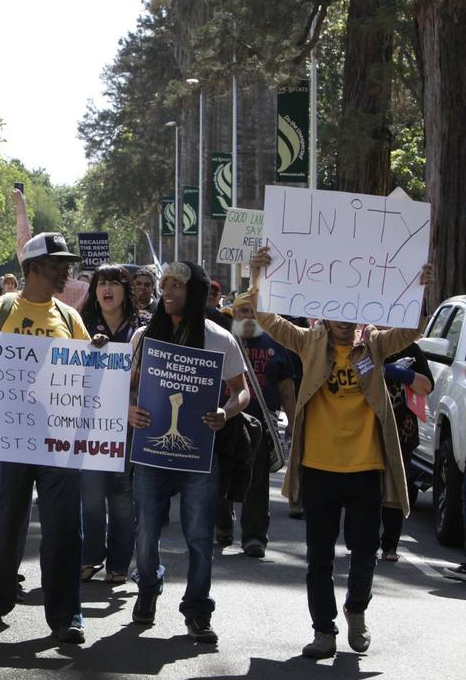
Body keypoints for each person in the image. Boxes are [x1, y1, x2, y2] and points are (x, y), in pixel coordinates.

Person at [249, 245, 433, 659]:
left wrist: (420, 289)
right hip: (319, 468)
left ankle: (356, 611)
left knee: (365, 552)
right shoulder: (309, 342)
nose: (345, 318)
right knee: (319, 557)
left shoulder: (376, 345)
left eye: (352, 311)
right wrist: (256, 275)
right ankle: (323, 629)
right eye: (337, 309)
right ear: (324, 310)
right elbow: (266, 319)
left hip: (366, 467)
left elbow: (411, 331)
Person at [0, 231, 106, 644]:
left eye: (67, 263)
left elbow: (89, 374)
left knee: (64, 528)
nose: (67, 271)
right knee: (4, 522)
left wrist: (97, 350)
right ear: (33, 269)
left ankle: (67, 615)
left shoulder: (69, 317)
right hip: (8, 437)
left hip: (58, 441)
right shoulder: (0, 309)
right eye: (58, 264)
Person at [127, 261, 251, 644]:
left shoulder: (220, 339)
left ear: (194, 292)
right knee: (147, 530)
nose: (167, 291)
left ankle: (197, 610)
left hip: (199, 454)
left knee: (200, 537)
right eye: (164, 285)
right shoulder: (144, 338)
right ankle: (148, 586)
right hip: (151, 453)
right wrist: (128, 409)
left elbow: (241, 391)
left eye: (176, 285)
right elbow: (126, 386)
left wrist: (224, 412)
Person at [77, 265, 150, 585]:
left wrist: (121, 366)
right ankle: (91, 556)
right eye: (100, 284)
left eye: (114, 284)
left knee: (122, 496)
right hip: (89, 423)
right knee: (91, 496)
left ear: (126, 290)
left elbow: (152, 375)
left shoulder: (144, 327)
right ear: (94, 291)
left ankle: (119, 563)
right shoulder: (81, 324)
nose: (107, 289)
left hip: (129, 425)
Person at [218, 294, 297, 557]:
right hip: (225, 420)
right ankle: (222, 527)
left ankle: (254, 537)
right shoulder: (223, 341)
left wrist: (293, 422)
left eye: (253, 312)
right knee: (220, 476)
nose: (248, 317)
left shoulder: (276, 345)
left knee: (257, 482)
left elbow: (286, 387)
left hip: (261, 424)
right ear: (234, 313)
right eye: (243, 311)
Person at [379, 342, 433, 561]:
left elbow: (427, 386)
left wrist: (404, 374)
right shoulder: (366, 344)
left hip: (403, 433)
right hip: (369, 431)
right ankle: (362, 542)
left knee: (396, 489)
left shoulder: (411, 350)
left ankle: (390, 545)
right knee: (366, 488)